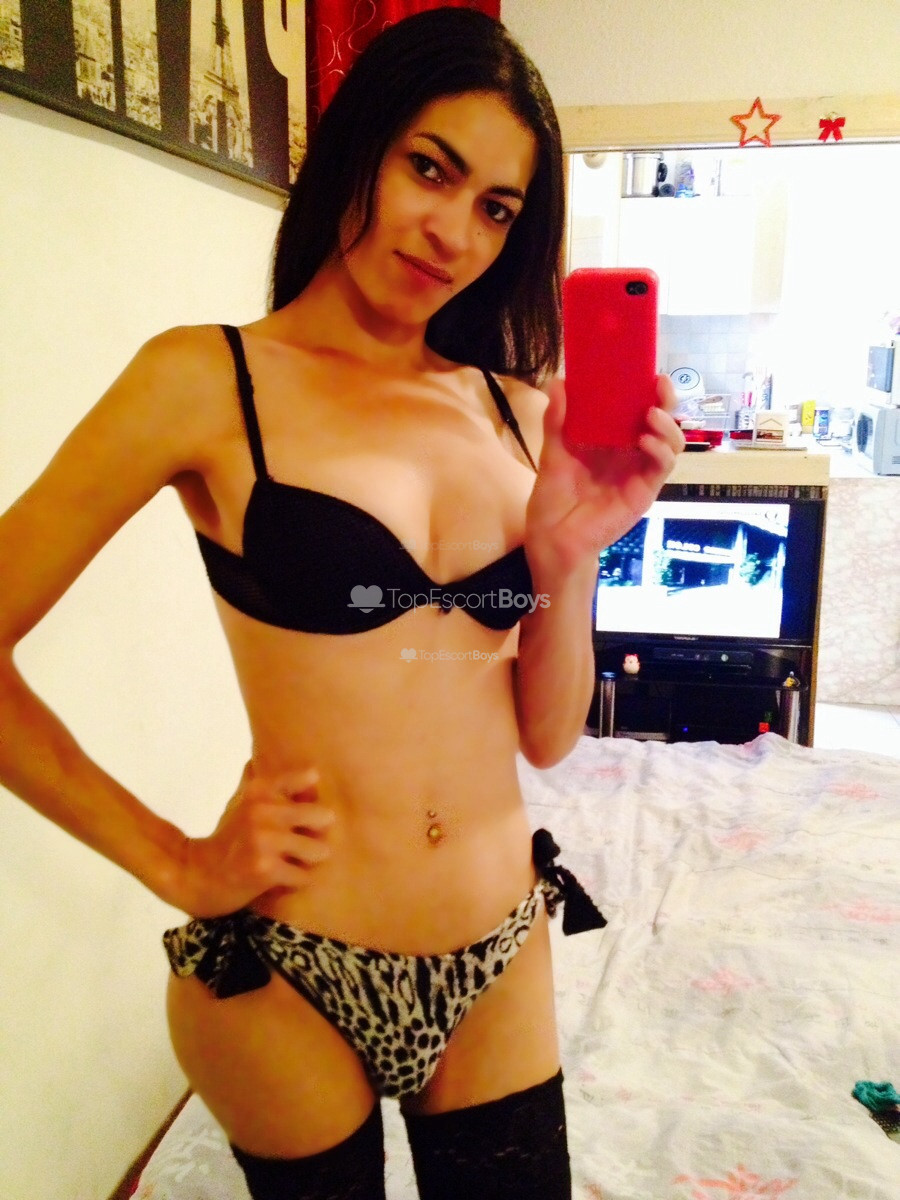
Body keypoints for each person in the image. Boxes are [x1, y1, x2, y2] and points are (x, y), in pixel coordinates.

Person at [0, 9, 683, 1199]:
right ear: (358, 146)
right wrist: (176, 861)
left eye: (497, 208)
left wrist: (570, 561)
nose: (454, 233)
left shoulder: (521, 412)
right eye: (431, 169)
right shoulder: (203, 380)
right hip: (287, 966)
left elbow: (546, 736)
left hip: (498, 949)